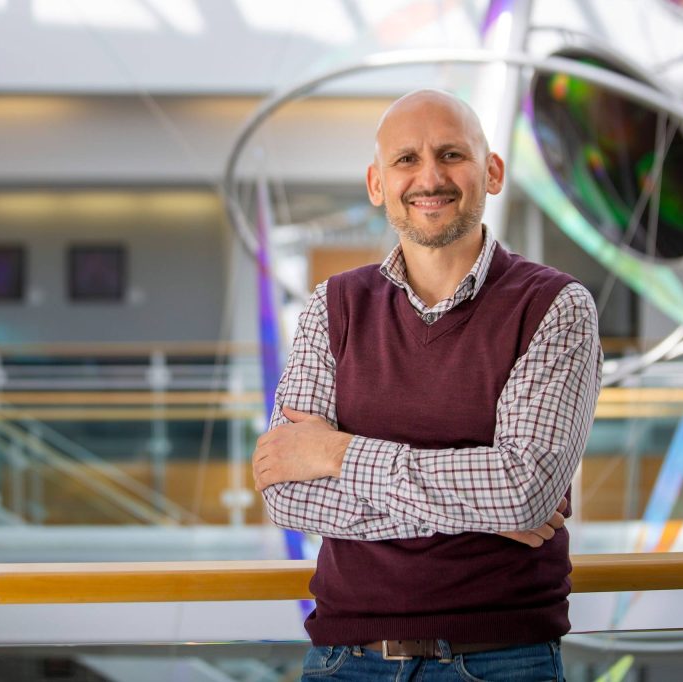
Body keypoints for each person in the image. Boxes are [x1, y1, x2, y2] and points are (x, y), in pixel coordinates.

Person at [252, 89, 603, 681]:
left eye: (451, 155)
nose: (430, 178)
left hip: (502, 661)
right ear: (377, 183)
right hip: (344, 661)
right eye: (406, 160)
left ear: (492, 172)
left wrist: (337, 453)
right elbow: (286, 492)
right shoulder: (332, 305)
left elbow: (523, 490)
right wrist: (483, 513)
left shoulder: (555, 305)